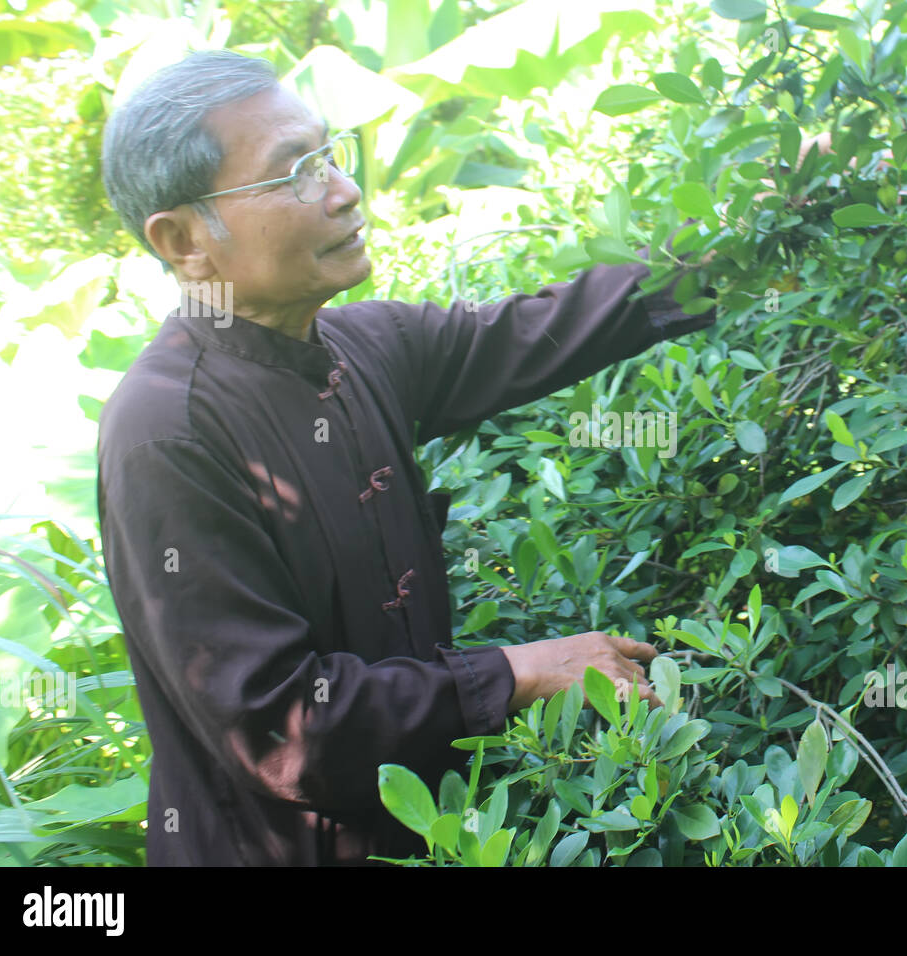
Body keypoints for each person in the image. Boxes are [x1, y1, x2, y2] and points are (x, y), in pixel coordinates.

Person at [97, 49, 716, 865]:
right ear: (184, 240)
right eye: (292, 174)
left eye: (327, 157)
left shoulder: (363, 345)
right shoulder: (168, 433)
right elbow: (282, 728)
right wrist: (515, 673)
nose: (343, 190)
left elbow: (555, 325)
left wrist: (740, 244)